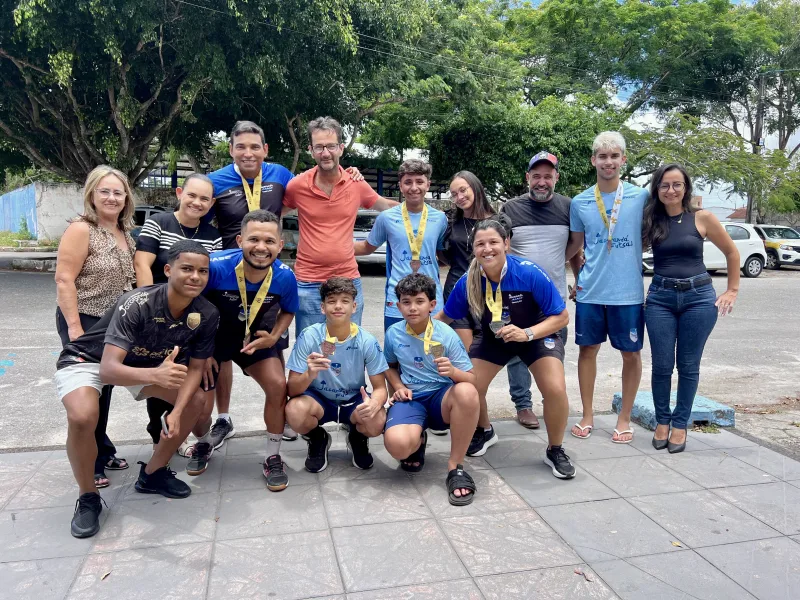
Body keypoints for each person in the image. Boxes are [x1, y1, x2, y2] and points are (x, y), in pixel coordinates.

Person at [206, 119, 365, 446]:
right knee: (221, 355)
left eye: (255, 147)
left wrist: (352, 174)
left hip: (268, 277)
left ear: (265, 150)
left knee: (274, 344)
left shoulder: (280, 176)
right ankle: (223, 418)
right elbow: (196, 216)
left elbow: (318, 185)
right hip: (227, 276)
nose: (248, 153)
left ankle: (283, 413)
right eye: (241, 147)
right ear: (231, 149)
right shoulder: (214, 181)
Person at [55, 240, 220, 538]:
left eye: (203, 271)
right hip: (91, 359)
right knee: (82, 416)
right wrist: (156, 374)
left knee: (195, 401)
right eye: (187, 269)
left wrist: (177, 411)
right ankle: (88, 497)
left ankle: (153, 474)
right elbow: (108, 369)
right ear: (168, 270)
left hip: (146, 364)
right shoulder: (137, 302)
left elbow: (196, 367)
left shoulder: (207, 313)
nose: (195, 276)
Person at [436, 217, 575, 479]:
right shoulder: (469, 280)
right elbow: (446, 316)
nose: (487, 249)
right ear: (473, 248)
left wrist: (527, 333)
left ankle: (555, 449)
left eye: (493, 242)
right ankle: (485, 430)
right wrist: (416, 330)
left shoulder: (528, 272)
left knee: (555, 389)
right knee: (470, 386)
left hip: (535, 336)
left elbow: (561, 317)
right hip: (494, 338)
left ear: (506, 244)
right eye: (480, 244)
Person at [642, 164, 739, 453]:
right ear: (657, 189)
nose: (670, 190)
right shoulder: (650, 220)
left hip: (698, 298)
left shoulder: (702, 218)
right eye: (664, 185)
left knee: (688, 366)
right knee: (661, 366)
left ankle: (680, 424)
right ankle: (662, 421)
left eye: (677, 185)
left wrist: (732, 290)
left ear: (686, 188)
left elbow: (732, 252)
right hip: (660, 298)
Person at [203, 209, 298, 491]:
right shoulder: (215, 266)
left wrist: (274, 338)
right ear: (239, 240)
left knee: (278, 385)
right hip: (214, 340)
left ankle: (272, 454)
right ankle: (203, 441)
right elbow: (193, 308)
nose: (261, 247)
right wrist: (204, 351)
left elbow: (289, 311)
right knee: (198, 403)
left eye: (269, 241)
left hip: (254, 339)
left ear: (280, 245)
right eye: (253, 239)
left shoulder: (284, 276)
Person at [54, 165, 135, 491]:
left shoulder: (125, 232)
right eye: (105, 191)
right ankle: (95, 463)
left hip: (113, 323)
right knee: (87, 392)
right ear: (92, 195)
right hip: (84, 320)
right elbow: (64, 279)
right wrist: (74, 327)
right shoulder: (80, 229)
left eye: (118, 192)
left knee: (106, 386)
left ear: (126, 197)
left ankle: (103, 447)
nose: (112, 197)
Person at [569, 131, 650, 444]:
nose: (608, 162)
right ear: (593, 161)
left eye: (614, 156)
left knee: (631, 354)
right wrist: (576, 278)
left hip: (628, 293)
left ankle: (624, 417)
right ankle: (587, 415)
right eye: (602, 156)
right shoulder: (581, 201)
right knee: (587, 351)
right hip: (590, 292)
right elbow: (575, 246)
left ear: (623, 160)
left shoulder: (640, 196)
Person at [284, 116, 397, 336]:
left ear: (341, 148)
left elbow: (385, 206)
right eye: (319, 147)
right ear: (310, 150)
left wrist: (424, 211)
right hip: (308, 283)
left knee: (349, 347)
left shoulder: (356, 183)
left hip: (347, 279)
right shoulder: (297, 185)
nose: (325, 153)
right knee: (310, 350)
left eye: (331, 146)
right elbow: (269, 213)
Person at [134, 173, 222, 453]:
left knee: (189, 378)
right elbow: (142, 265)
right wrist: (151, 311)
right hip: (157, 315)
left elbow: (208, 283)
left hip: (193, 319)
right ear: (179, 193)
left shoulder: (212, 236)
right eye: (192, 195)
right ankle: (162, 437)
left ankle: (184, 430)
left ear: (212, 203)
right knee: (160, 375)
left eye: (204, 198)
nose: (197, 202)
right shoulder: (159, 223)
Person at [500, 152, 583, 429]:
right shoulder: (510, 209)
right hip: (517, 297)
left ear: (556, 178)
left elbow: (575, 246)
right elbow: (500, 247)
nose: (542, 181)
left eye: (548, 176)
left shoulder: (568, 207)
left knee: (553, 348)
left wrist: (572, 271)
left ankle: (552, 399)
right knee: (516, 352)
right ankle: (523, 405)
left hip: (554, 297)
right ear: (527, 178)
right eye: (536, 176)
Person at [382, 273, 480, 506]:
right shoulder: (394, 333)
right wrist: (397, 386)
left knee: (467, 392)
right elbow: (389, 367)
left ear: (432, 305)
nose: (412, 308)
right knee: (397, 446)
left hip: (441, 399)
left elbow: (471, 378)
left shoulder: (446, 334)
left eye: (419, 301)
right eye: (406, 302)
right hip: (411, 398)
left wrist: (453, 372)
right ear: (398, 306)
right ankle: (417, 442)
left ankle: (456, 467)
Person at [285, 277, 389, 472]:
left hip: (353, 400)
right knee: (294, 411)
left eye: (345, 301)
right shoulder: (309, 336)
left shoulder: (367, 340)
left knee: (376, 421)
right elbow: (291, 388)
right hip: (319, 400)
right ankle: (318, 438)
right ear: (323, 307)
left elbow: (381, 388)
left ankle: (357, 437)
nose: (338, 306)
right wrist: (309, 373)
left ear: (354, 306)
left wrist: (375, 403)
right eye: (332, 301)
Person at [355, 159, 448, 331]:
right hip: (397, 298)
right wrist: (333, 245)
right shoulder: (386, 217)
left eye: (419, 181)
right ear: (400, 186)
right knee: (396, 351)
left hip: (431, 299)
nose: (414, 187)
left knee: (433, 351)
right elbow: (367, 247)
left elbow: (442, 253)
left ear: (428, 184)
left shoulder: (440, 219)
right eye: (408, 182)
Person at [440, 171, 495, 350]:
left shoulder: (499, 221)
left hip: (489, 294)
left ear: (476, 187)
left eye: (463, 190)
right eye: (454, 194)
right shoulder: (449, 220)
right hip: (457, 290)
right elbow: (440, 251)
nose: (460, 197)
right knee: (465, 353)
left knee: (484, 353)